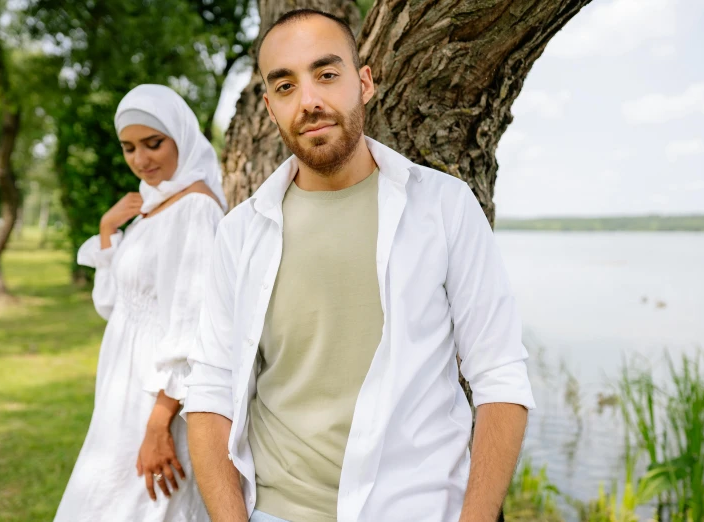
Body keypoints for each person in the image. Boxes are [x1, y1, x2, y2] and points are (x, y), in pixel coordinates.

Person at [183, 9, 535, 522]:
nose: (309, 101)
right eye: (285, 86)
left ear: (364, 82)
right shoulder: (239, 233)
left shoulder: (444, 207)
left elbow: (500, 374)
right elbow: (210, 389)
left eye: (327, 74)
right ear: (269, 106)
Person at [54, 84, 226, 522]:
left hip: (159, 399)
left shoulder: (195, 209)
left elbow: (195, 326)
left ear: (181, 137)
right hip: (120, 390)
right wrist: (108, 229)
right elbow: (114, 306)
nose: (141, 160)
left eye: (154, 143)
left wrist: (158, 425)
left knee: (144, 505)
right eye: (129, 148)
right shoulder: (152, 209)